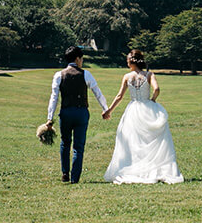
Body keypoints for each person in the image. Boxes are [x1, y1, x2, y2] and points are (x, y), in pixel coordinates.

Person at [102, 49, 184, 184]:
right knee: (149, 139)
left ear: (132, 61)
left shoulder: (127, 77)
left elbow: (119, 96)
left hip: (133, 109)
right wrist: (152, 100)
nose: (127, 62)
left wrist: (109, 111)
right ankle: (152, 167)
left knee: (134, 140)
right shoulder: (149, 75)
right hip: (147, 108)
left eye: (128, 60)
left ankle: (133, 167)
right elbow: (157, 89)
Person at [42, 46, 110, 184]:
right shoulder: (86, 74)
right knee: (79, 146)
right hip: (81, 112)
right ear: (78, 58)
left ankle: (65, 173)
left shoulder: (58, 75)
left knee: (65, 143)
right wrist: (105, 109)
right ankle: (75, 178)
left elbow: (54, 97)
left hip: (66, 112)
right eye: (82, 59)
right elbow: (98, 93)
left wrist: (50, 118)